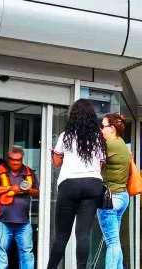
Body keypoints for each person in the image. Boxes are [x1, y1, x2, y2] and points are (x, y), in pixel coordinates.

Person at [47, 99, 107, 269]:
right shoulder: (98, 138)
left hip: (69, 185)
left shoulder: (65, 136)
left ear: (73, 116)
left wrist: (54, 154)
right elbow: (102, 163)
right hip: (93, 185)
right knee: (83, 234)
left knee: (61, 235)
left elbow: (57, 162)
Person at [0, 147, 39, 269]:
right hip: (2, 221)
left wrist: (27, 190)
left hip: (23, 222)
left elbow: (38, 193)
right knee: (1, 254)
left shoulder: (29, 172)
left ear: (22, 159)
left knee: (27, 254)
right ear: (8, 159)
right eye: (13, 160)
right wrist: (11, 188)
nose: (16, 162)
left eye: (18, 160)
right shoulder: (0, 171)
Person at [97, 113, 131, 269]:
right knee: (115, 242)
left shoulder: (109, 145)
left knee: (112, 242)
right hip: (122, 197)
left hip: (110, 199)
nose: (101, 129)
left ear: (112, 128)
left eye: (103, 126)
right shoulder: (122, 143)